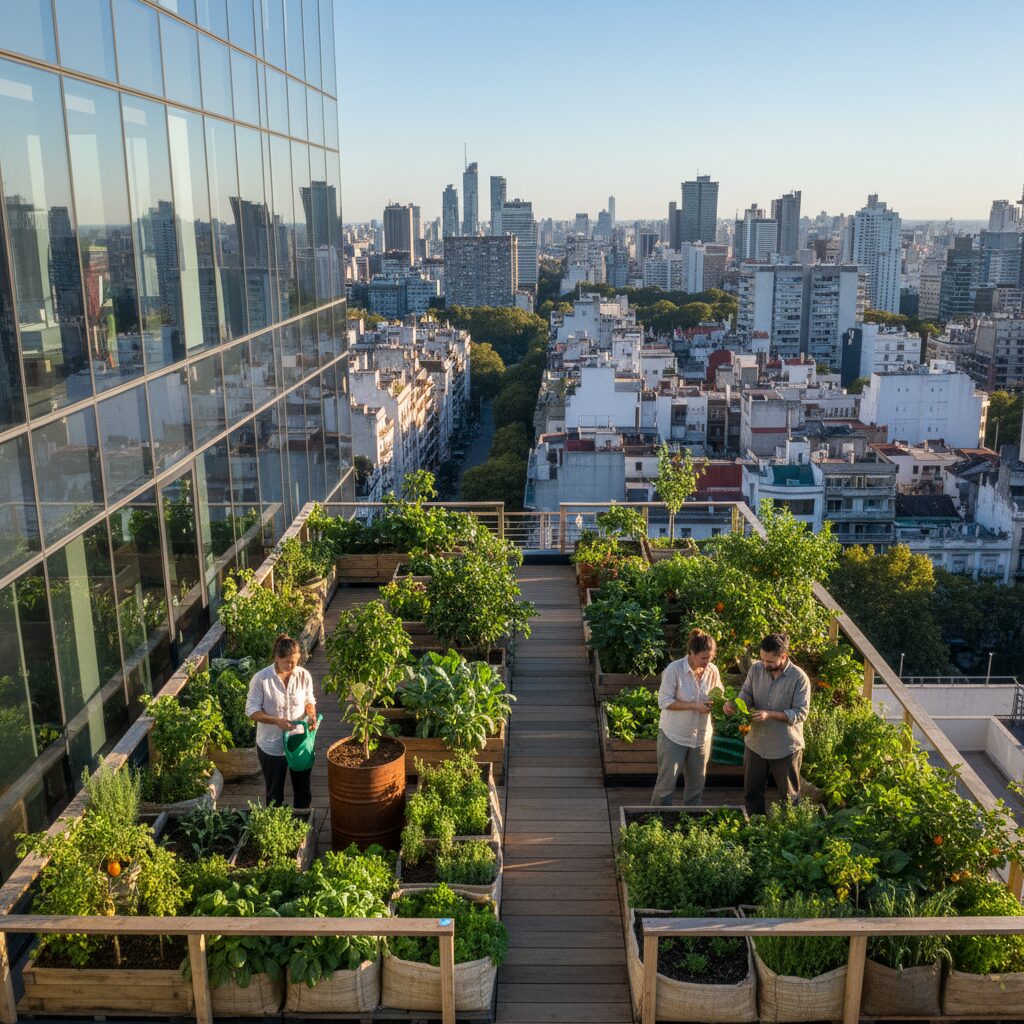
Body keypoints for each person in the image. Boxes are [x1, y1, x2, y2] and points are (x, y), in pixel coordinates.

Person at [726, 632, 810, 817]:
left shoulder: (799, 678)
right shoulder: (756, 669)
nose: (765, 664)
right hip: (755, 744)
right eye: (762, 659)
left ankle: (792, 836)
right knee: (752, 793)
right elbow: (746, 694)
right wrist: (736, 705)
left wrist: (770, 715)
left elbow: (801, 713)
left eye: (770, 662)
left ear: (784, 657)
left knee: (790, 797)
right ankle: (756, 831)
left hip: (785, 747)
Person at [245, 634, 318, 808]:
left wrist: (311, 715)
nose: (293, 667)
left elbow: (309, 700)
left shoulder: (303, 675)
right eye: (288, 663)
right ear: (277, 658)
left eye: (295, 661)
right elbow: (251, 711)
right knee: (274, 794)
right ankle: (276, 827)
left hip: (298, 742)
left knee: (303, 790)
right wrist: (276, 721)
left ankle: (302, 826)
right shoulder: (261, 679)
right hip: (271, 744)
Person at [651, 629, 721, 806]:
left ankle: (690, 823)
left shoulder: (712, 671)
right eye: (703, 658)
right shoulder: (674, 670)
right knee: (666, 785)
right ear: (691, 653)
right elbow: (664, 702)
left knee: (696, 786)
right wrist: (694, 706)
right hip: (674, 735)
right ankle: (658, 821)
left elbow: (718, 694)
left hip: (701, 737)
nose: (707, 662)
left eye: (710, 658)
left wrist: (723, 704)